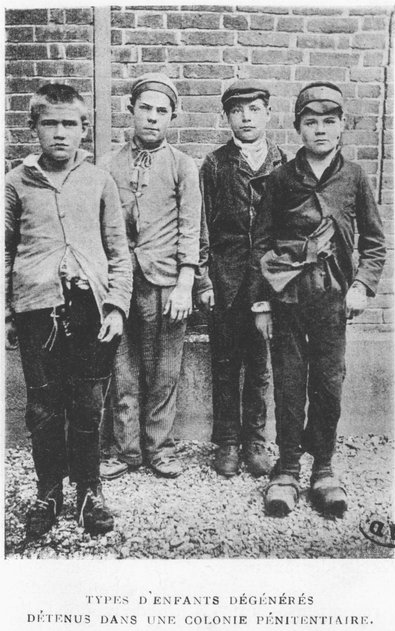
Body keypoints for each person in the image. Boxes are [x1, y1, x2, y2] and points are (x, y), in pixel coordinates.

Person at [249, 81, 386, 517]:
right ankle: (287, 470)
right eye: (311, 122)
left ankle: (323, 469)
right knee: (289, 385)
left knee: (328, 386)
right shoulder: (281, 179)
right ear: (297, 128)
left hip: (333, 303)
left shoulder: (355, 178)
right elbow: (262, 242)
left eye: (329, 121)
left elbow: (376, 242)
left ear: (342, 125)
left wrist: (362, 284)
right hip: (288, 301)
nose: (320, 130)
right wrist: (262, 303)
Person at [5, 83, 132, 537]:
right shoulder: (16, 182)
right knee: (42, 407)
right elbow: (5, 253)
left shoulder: (99, 180)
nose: (60, 133)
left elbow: (119, 252)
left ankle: (89, 492)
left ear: (83, 129)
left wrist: (117, 306)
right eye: (49, 123)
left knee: (87, 405)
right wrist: (7, 313)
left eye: (69, 124)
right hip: (37, 310)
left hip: (90, 310)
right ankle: (48, 492)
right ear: (33, 127)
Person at [99, 72, 201, 480]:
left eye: (162, 111)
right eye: (146, 108)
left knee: (164, 370)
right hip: (122, 283)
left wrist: (185, 282)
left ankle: (160, 447)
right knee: (123, 369)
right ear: (131, 111)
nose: (153, 118)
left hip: (166, 283)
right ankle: (125, 451)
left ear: (172, 117)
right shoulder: (107, 165)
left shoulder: (183, 166)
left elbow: (192, 227)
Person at [195, 79, 286, 477]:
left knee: (260, 364)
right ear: (227, 116)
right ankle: (228, 442)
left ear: (267, 113)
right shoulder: (215, 164)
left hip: (267, 283)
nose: (245, 117)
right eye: (237, 110)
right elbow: (201, 227)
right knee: (225, 362)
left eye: (253, 109)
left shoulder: (284, 163)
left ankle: (255, 440)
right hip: (225, 280)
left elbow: (289, 229)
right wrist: (204, 280)